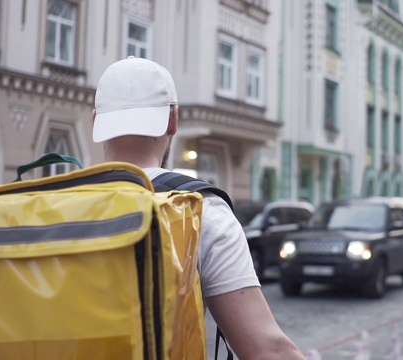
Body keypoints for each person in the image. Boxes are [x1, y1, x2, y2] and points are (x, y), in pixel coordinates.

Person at [92, 56, 306, 360]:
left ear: (94, 121)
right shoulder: (200, 210)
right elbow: (266, 350)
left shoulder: (54, 207)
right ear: (173, 121)